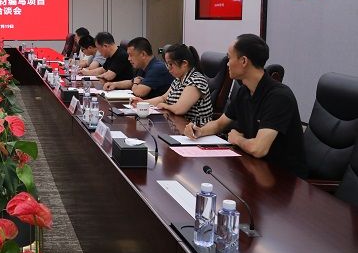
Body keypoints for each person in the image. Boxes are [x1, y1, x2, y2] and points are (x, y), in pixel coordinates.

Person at [184, 34, 307, 178]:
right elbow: (219, 124)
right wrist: (199, 131)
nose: (227, 64)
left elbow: (259, 149)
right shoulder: (244, 91)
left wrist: (237, 139)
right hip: (254, 168)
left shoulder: (279, 97)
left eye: (229, 58)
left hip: (283, 179)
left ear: (243, 61)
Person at [135, 43, 213, 126]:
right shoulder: (178, 79)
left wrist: (166, 106)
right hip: (178, 124)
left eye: (171, 64)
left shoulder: (196, 81)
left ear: (184, 63)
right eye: (167, 64)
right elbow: (163, 98)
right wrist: (143, 103)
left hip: (197, 128)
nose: (168, 68)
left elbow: (180, 109)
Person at [104, 37, 173, 99]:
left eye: (131, 55)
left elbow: (140, 92)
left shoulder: (157, 68)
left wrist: (135, 83)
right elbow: (132, 81)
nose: (128, 59)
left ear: (143, 54)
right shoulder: (142, 66)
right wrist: (114, 84)